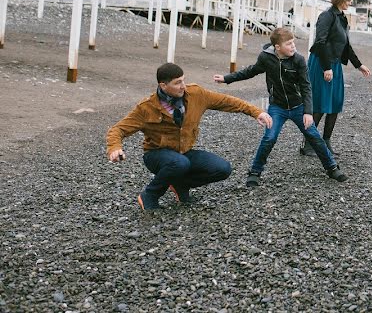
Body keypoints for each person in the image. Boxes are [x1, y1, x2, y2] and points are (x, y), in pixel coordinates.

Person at [106, 63, 274, 211]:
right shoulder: (146, 107)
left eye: (183, 80)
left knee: (223, 169)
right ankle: (149, 195)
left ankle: (180, 184)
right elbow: (118, 129)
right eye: (177, 83)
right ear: (163, 86)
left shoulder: (196, 94)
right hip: (156, 155)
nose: (183, 86)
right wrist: (115, 148)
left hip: (184, 152)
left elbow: (227, 101)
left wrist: (256, 112)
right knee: (179, 163)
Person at [213, 27, 347, 185]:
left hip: (298, 107)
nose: (293, 47)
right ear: (278, 47)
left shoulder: (299, 60)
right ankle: (255, 172)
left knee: (314, 136)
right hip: (277, 107)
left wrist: (308, 112)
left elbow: (306, 87)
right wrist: (226, 78)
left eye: (293, 43)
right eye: (289, 44)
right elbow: (250, 71)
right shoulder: (266, 58)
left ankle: (332, 168)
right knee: (269, 138)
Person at [304, 0, 371, 156]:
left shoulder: (342, 17)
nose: (350, 2)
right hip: (321, 62)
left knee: (334, 103)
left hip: (335, 64)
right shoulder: (327, 16)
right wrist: (326, 68)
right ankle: (308, 144)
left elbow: (346, 46)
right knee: (319, 104)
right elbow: (320, 42)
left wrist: (358, 64)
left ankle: (325, 142)